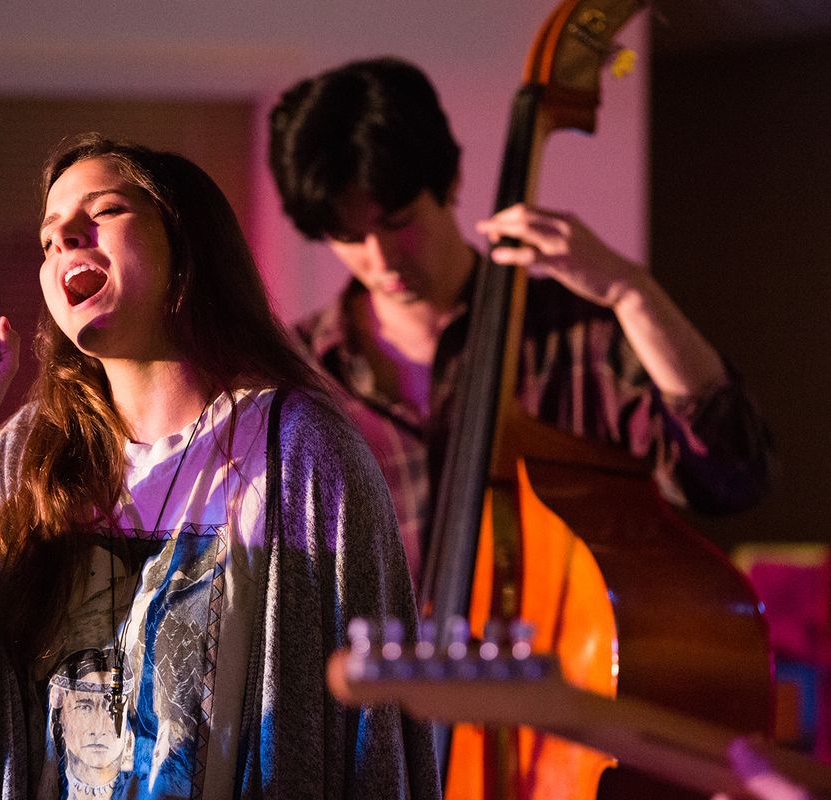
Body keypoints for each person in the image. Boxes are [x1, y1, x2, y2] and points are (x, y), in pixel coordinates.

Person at [0, 134, 438, 799]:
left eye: (105, 209)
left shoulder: (300, 453)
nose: (64, 236)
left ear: (185, 248)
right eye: (48, 236)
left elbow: (375, 732)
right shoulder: (23, 455)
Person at [268, 57, 773, 583]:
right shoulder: (294, 373)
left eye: (399, 222)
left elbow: (732, 476)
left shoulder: (574, 336)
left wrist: (632, 292)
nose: (381, 257)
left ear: (452, 179)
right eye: (348, 237)